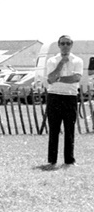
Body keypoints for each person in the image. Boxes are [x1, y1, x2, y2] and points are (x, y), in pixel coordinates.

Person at [43, 35, 83, 169]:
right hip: (54, 96)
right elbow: (50, 78)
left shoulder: (78, 60)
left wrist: (58, 79)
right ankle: (52, 160)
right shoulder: (52, 60)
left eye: (68, 43)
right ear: (59, 45)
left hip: (70, 96)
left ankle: (69, 160)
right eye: (62, 43)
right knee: (54, 129)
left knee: (69, 129)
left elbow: (76, 78)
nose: (65, 46)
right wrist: (61, 64)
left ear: (71, 45)